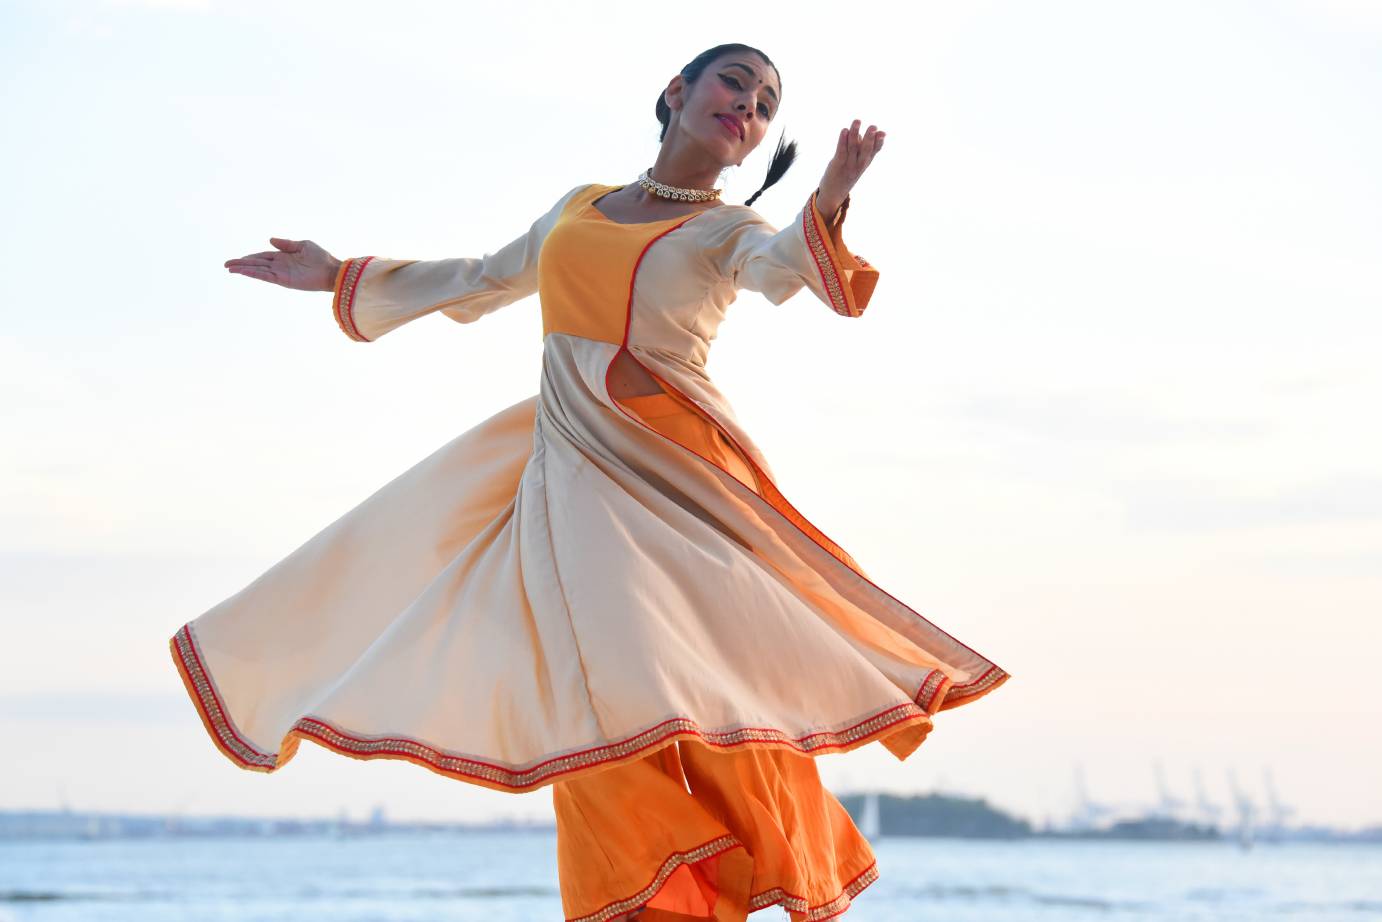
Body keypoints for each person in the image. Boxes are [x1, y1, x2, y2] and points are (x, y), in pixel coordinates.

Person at [179, 43, 1010, 921]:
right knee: (582, 689)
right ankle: (661, 897)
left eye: (767, 104)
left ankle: (722, 870)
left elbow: (789, 273)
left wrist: (833, 196)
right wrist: (338, 275)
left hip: (672, 468)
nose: (750, 106)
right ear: (676, 91)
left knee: (694, 676)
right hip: (568, 463)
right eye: (737, 82)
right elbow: (483, 279)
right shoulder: (578, 207)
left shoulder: (730, 233)